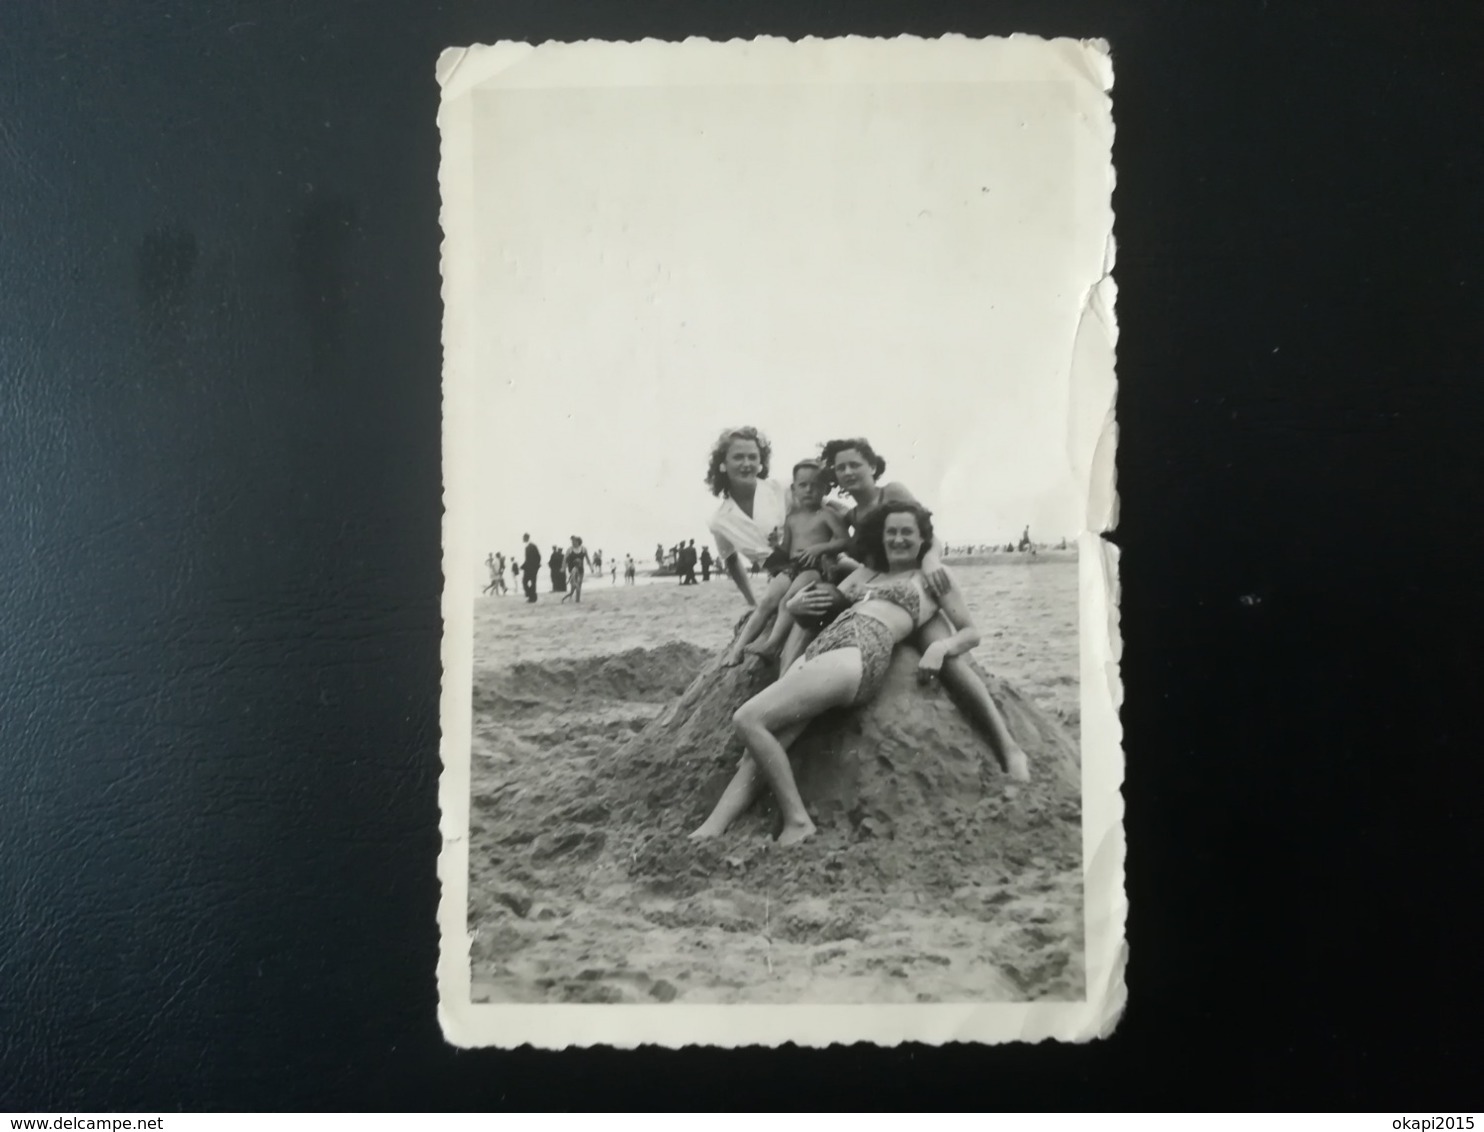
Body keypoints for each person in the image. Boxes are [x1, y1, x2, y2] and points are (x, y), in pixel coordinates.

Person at [692, 503, 977, 846]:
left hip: (861, 648)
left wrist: (940, 648)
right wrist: (796, 607)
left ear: (923, 538)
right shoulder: (864, 574)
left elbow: (970, 631)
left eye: (907, 533)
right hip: (825, 648)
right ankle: (713, 826)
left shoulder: (932, 578)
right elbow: (819, 601)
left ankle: (798, 820)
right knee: (764, 747)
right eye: (891, 532)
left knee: (748, 719)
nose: (898, 539)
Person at [811, 437, 1029, 781]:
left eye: (856, 464)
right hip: (879, 589)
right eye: (841, 468)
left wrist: (929, 563)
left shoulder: (892, 492)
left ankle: (1008, 747)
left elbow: (925, 531)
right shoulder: (849, 514)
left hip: (914, 584)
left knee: (949, 659)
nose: (849, 472)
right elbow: (866, 556)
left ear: (873, 465)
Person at [725, 459, 850, 666]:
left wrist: (820, 549)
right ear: (794, 488)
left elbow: (844, 540)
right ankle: (737, 650)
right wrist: (775, 546)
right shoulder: (791, 518)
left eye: (815, 485)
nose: (809, 490)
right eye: (803, 485)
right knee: (767, 601)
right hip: (793, 566)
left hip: (814, 567)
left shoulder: (828, 515)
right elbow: (786, 549)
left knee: (789, 601)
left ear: (825, 488)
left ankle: (773, 644)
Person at [705, 425, 791, 609]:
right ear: (723, 464)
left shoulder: (782, 489)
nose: (746, 464)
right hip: (780, 582)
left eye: (752, 457)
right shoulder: (719, 520)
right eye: (738, 457)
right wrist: (752, 601)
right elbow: (731, 560)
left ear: (761, 462)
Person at [561, 536, 591, 603]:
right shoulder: (570, 549)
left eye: (573, 541)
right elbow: (565, 559)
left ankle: (577, 599)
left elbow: (587, 559)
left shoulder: (583, 549)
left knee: (579, 584)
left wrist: (591, 567)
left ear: (578, 542)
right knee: (574, 584)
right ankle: (571, 596)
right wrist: (563, 568)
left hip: (581, 569)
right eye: (571, 541)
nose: (572, 542)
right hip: (572, 569)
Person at [521, 534, 541, 603]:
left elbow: (538, 557)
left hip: (532, 569)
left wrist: (536, 567)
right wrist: (523, 566)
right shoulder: (528, 546)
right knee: (527, 582)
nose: (522, 539)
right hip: (529, 568)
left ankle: (532, 597)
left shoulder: (532, 546)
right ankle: (532, 596)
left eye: (523, 537)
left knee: (527, 582)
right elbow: (529, 559)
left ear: (526, 538)